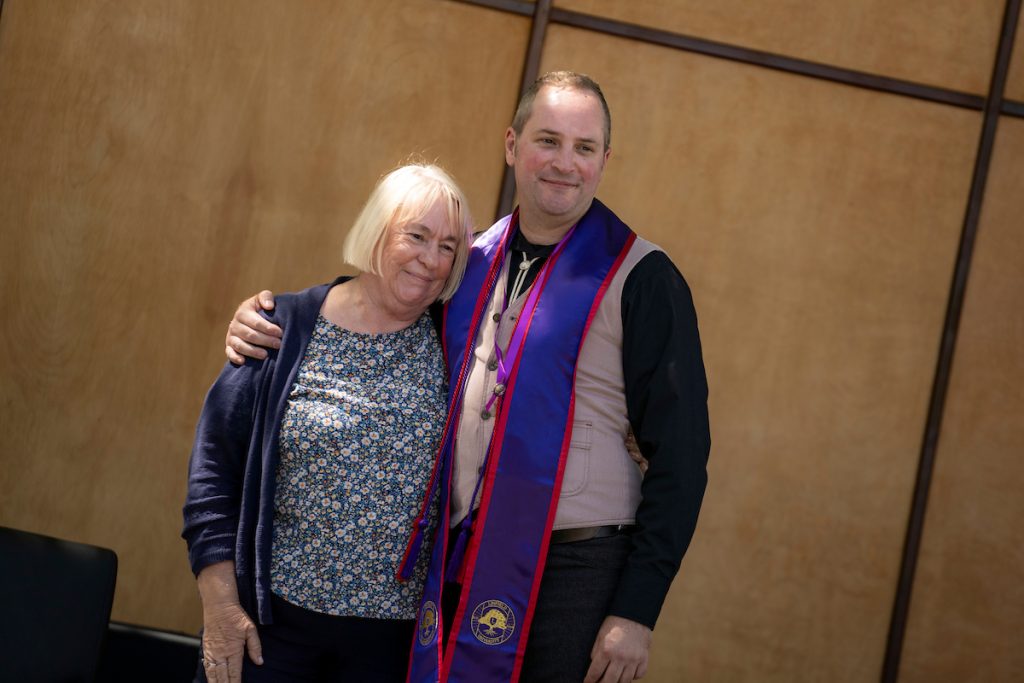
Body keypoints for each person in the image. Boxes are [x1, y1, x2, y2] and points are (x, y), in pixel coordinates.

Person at [226, 71, 710, 683]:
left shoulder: (644, 278)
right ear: (512, 146)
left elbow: (683, 458)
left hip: (577, 573)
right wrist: (277, 318)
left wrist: (635, 610)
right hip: (465, 558)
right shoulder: (467, 260)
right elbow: (378, 304)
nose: (564, 162)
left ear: (605, 161)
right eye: (548, 141)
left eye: (584, 148)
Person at [182, 163, 474, 683]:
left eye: (449, 247)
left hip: (390, 649)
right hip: (269, 632)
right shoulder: (280, 327)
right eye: (417, 236)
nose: (431, 260)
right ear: (378, 229)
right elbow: (212, 478)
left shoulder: (458, 343)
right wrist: (221, 608)